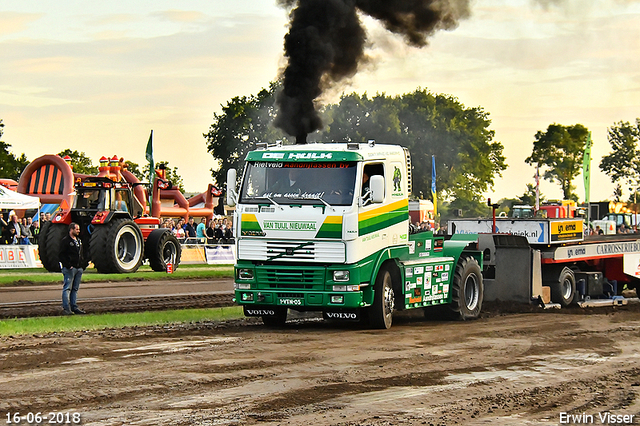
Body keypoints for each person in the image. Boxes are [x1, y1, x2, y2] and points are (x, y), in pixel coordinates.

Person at [59, 222, 86, 315]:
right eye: (77, 229)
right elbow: (61, 255)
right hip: (70, 268)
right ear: (71, 230)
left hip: (78, 268)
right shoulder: (65, 241)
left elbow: (82, 253)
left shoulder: (78, 241)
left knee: (75, 289)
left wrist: (82, 265)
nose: (78, 231)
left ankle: (74, 307)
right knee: (67, 288)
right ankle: (66, 308)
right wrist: (67, 265)